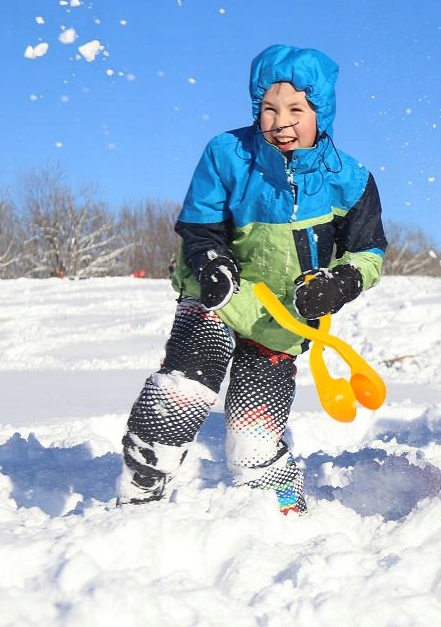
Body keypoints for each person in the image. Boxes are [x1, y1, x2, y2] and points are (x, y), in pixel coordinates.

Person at [117, 44, 387, 513]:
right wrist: (210, 262)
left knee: (252, 433)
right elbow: (199, 225)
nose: (280, 121)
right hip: (218, 297)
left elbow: (370, 253)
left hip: (283, 318)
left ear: (321, 111)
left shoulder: (352, 179)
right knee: (185, 387)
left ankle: (278, 509)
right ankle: (141, 488)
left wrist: (339, 282)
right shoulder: (227, 154)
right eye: (268, 108)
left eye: (295, 109)